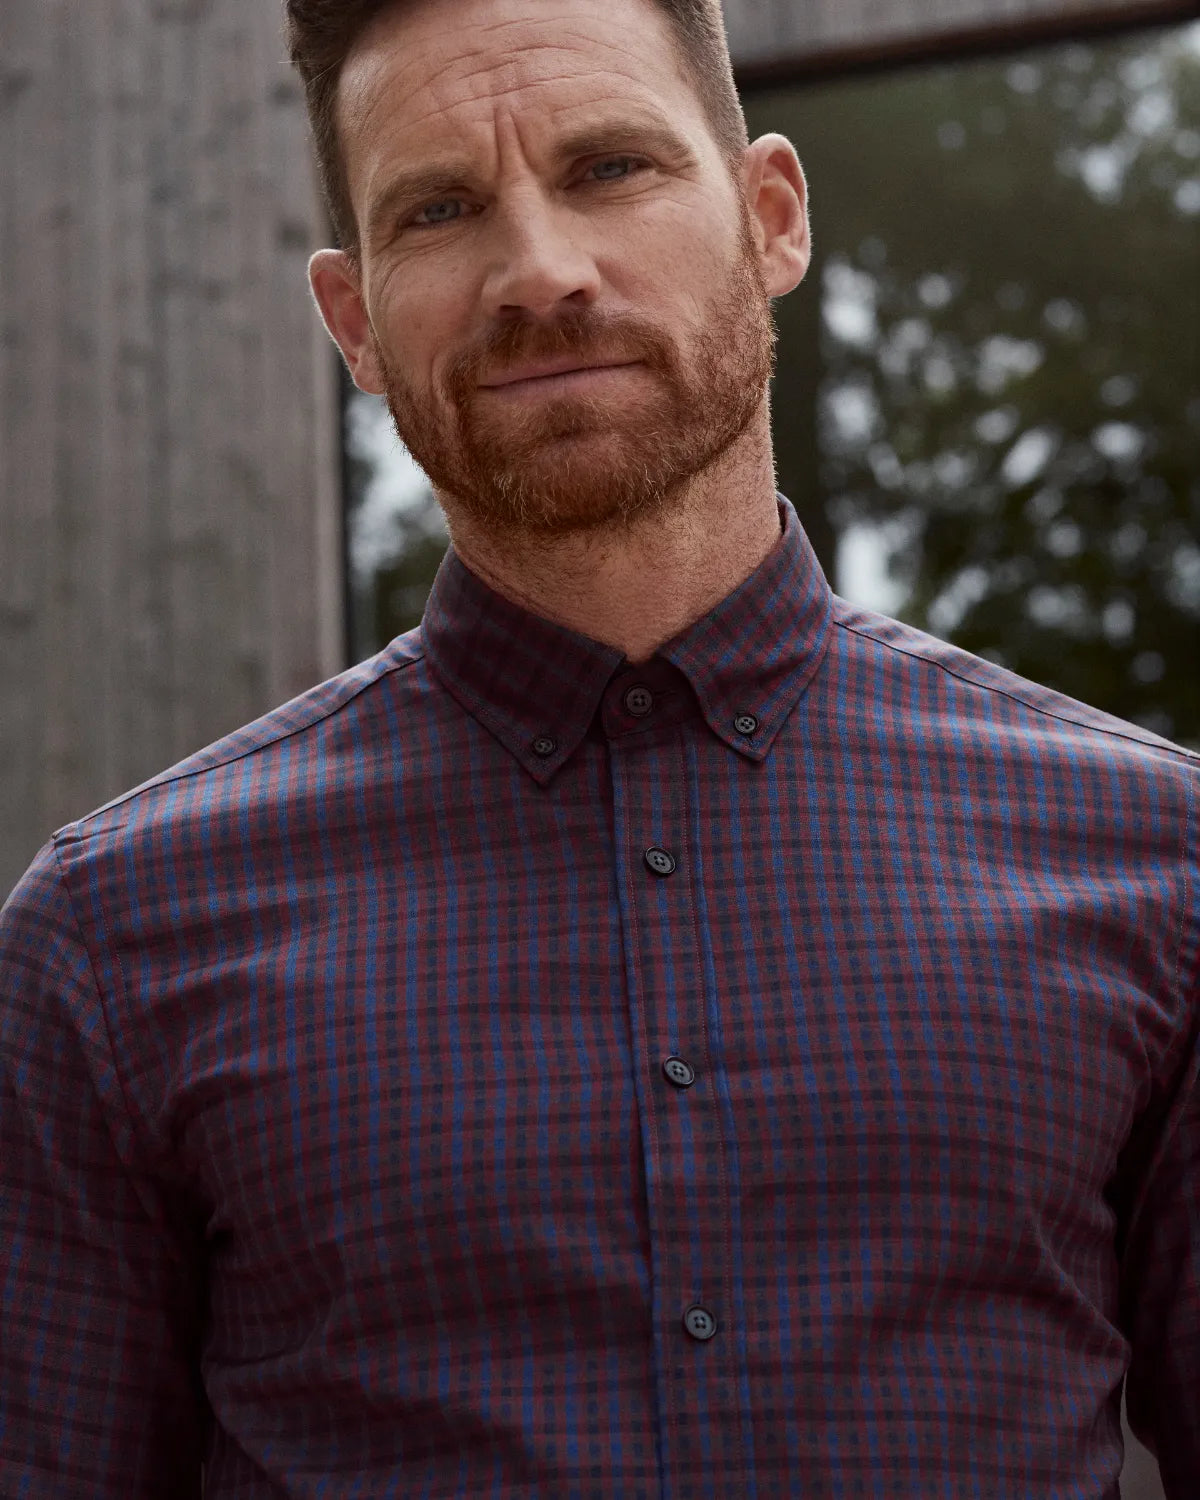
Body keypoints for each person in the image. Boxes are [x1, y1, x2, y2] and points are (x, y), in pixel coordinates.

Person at [1, 0, 1195, 1493]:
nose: (540, 271)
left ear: (771, 217)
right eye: (438, 210)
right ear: (354, 320)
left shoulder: (1160, 867)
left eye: (610, 168)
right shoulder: (113, 938)